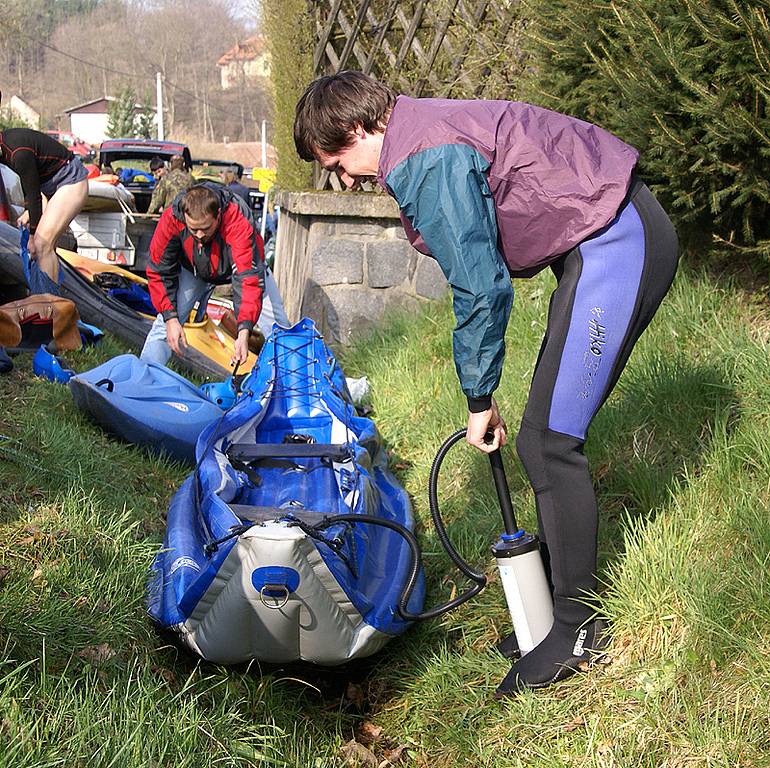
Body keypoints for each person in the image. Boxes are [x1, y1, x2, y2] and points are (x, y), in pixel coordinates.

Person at [293, 71, 679, 697]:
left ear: (359, 127)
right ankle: (556, 609)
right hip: (600, 241)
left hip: (617, 240)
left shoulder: (425, 153)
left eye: (336, 160)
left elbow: (480, 287)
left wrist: (478, 397)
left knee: (550, 444)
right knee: (545, 439)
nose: (342, 178)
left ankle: (578, 632)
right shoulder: (423, 133)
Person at [141, 182, 288, 366]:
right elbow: (159, 271)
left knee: (280, 328)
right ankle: (144, 376)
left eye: (206, 228)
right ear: (185, 217)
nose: (200, 235)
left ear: (218, 215)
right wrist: (171, 318)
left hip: (246, 268)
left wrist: (244, 332)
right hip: (193, 270)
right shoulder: (172, 219)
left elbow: (247, 277)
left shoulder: (236, 219)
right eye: (194, 230)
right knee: (164, 325)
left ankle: (292, 383)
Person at [0, 124, 88, 291]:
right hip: (49, 187)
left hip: (70, 181)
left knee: (41, 244)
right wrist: (29, 212)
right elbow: (31, 184)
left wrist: (33, 235)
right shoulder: (4, 147)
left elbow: (33, 196)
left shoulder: (18, 153)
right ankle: (45, 301)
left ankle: (49, 307)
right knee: (41, 250)